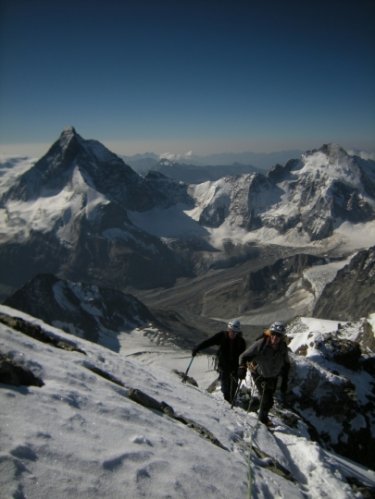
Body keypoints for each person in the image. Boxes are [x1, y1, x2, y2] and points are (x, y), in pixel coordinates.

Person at [237, 321, 290, 426]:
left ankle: (262, 415)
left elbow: (286, 364)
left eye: (278, 335)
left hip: (273, 376)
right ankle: (262, 420)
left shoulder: (282, 348)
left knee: (270, 400)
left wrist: (284, 380)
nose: (275, 337)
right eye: (273, 334)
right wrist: (242, 367)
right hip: (260, 375)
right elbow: (244, 356)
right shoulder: (261, 344)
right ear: (270, 334)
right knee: (267, 399)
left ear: (282, 337)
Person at [192, 319, 246, 403]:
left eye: (235, 332)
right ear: (228, 329)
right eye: (231, 331)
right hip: (224, 367)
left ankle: (230, 402)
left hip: (235, 369)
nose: (232, 334)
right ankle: (227, 401)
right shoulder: (222, 336)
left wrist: (242, 368)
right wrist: (198, 348)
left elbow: (244, 357)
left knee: (233, 390)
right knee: (225, 389)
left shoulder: (241, 342)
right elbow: (209, 342)